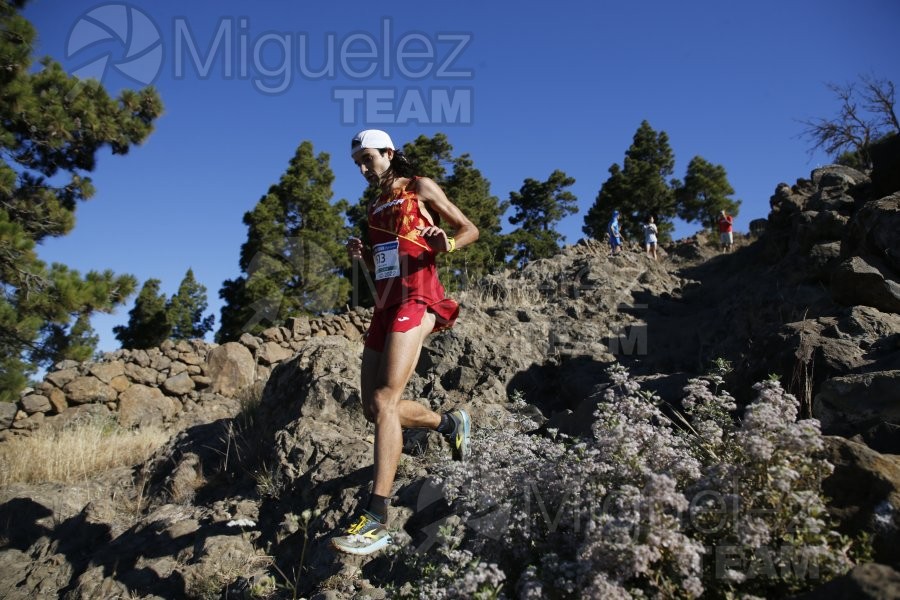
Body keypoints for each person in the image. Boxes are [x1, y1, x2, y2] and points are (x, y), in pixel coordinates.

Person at [331, 129, 479, 556]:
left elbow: (470, 228)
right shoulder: (375, 204)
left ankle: (377, 517)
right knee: (373, 407)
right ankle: (450, 424)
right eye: (356, 162)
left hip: (418, 297)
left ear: (389, 153)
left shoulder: (420, 187)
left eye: (368, 158)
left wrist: (447, 241)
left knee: (386, 398)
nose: (362, 168)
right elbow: (386, 264)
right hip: (385, 303)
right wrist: (361, 257)